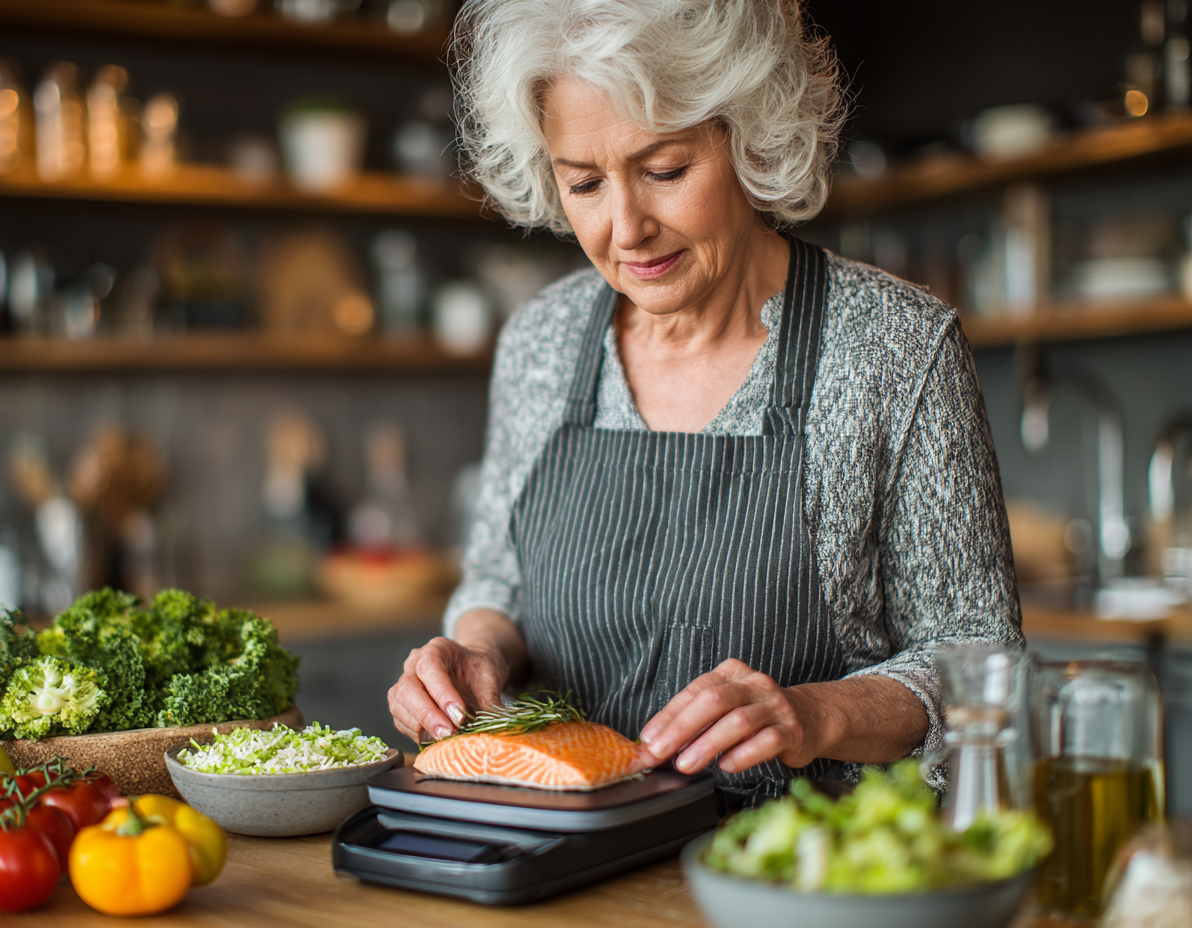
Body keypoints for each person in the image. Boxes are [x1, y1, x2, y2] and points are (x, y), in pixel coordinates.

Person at [388, 0, 1022, 803]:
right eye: (582, 183)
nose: (626, 229)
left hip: (808, 874)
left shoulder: (894, 347)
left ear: (748, 135)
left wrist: (810, 715)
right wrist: (475, 649)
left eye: (665, 172)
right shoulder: (541, 342)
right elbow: (498, 580)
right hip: (567, 858)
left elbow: (979, 659)